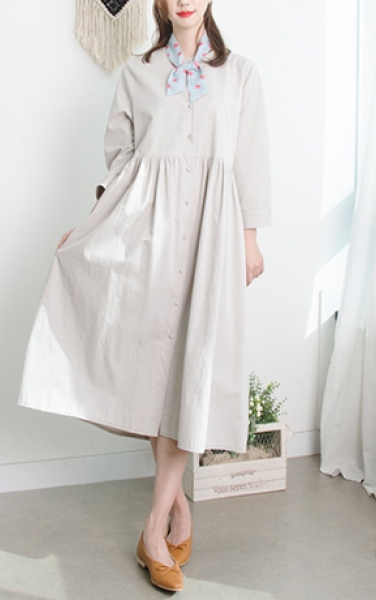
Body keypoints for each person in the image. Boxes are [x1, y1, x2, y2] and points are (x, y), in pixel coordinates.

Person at [18, 0, 271, 591]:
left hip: (210, 234)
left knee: (190, 367)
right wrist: (92, 226)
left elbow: (251, 160)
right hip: (149, 234)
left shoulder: (242, 74)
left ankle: (153, 527)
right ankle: (172, 510)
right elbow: (122, 162)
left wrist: (250, 237)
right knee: (158, 373)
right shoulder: (137, 72)